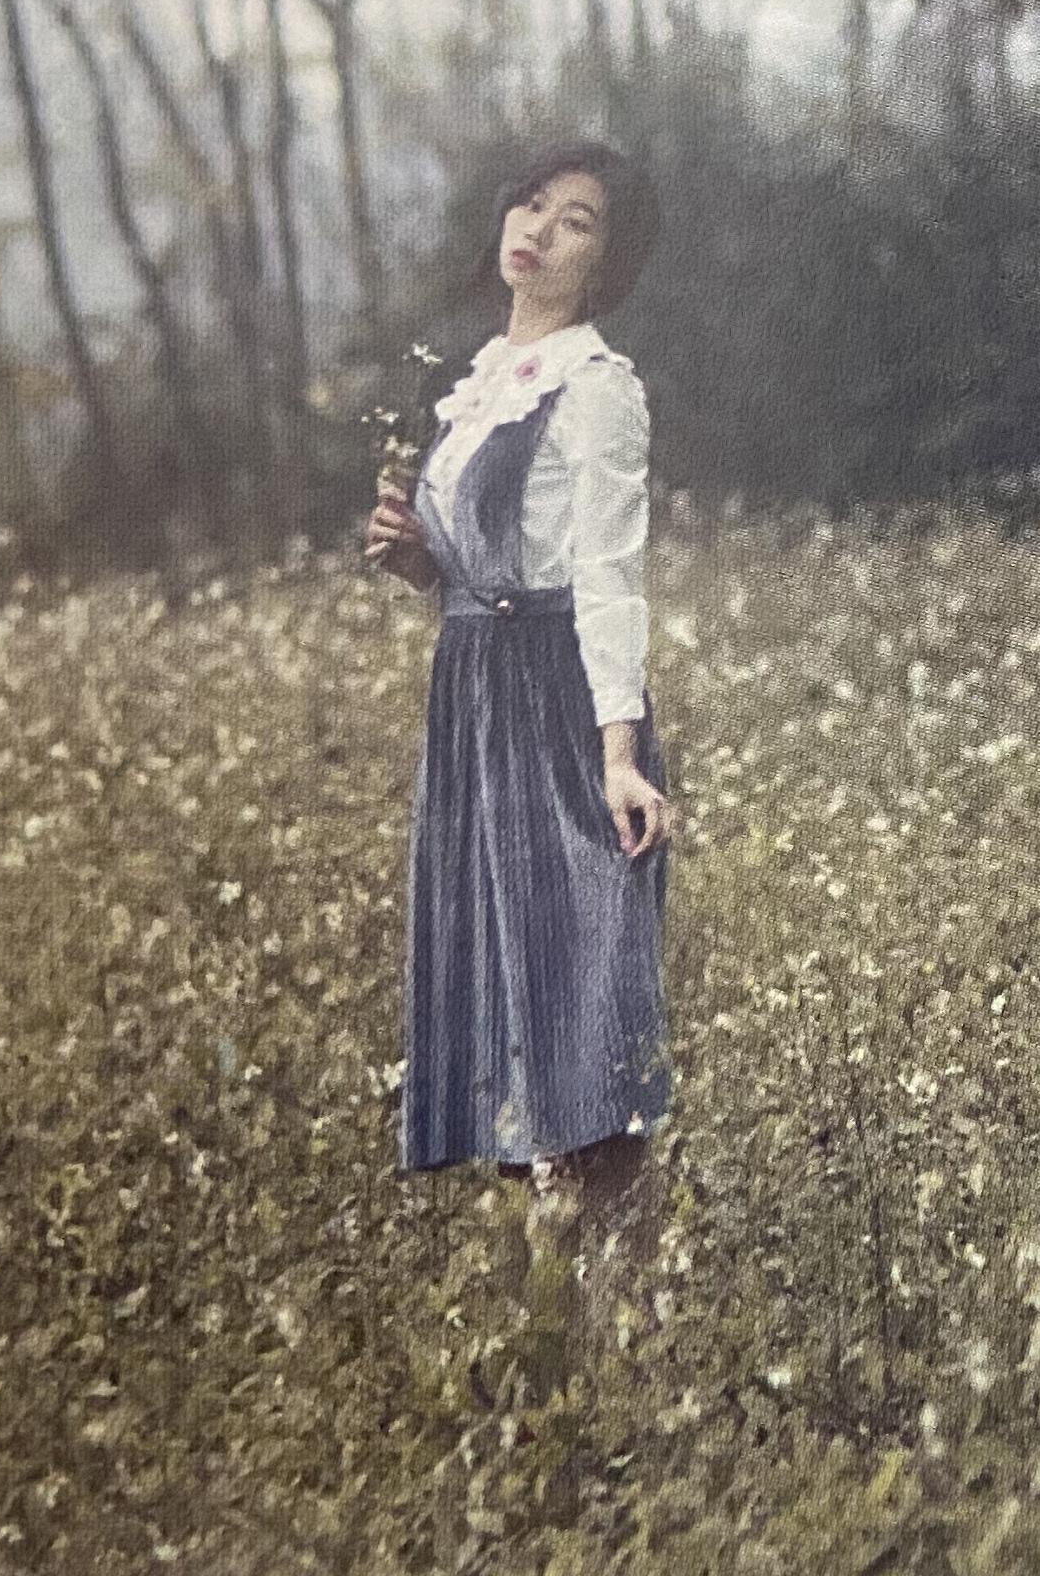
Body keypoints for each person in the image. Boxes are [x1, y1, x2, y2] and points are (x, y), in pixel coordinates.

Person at [361, 141, 674, 1298]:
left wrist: (620, 753)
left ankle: (624, 1301)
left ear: (605, 261)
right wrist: (414, 562)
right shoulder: (482, 377)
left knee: (582, 1000)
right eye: (533, 201)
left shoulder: (596, 387)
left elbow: (606, 573)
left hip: (556, 711)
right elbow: (471, 571)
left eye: (578, 218)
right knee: (500, 988)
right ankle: (546, 1310)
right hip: (473, 700)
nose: (538, 226)